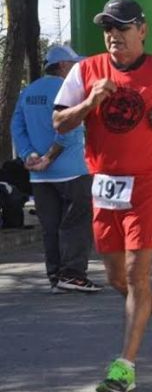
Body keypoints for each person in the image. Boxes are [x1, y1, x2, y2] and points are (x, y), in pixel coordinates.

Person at [52, 0, 152, 392]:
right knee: (117, 277)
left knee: (137, 275)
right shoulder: (86, 70)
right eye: (108, 28)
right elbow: (60, 122)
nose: (114, 35)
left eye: (122, 27)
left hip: (148, 181)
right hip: (104, 182)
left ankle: (124, 367)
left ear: (142, 29)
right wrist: (90, 101)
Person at [11, 45, 101, 293]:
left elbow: (16, 127)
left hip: (38, 176)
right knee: (76, 223)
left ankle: (55, 277)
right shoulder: (68, 91)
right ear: (62, 66)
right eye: (74, 65)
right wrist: (50, 157)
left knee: (50, 228)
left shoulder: (28, 92)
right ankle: (73, 275)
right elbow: (70, 131)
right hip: (71, 170)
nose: (77, 70)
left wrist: (30, 155)